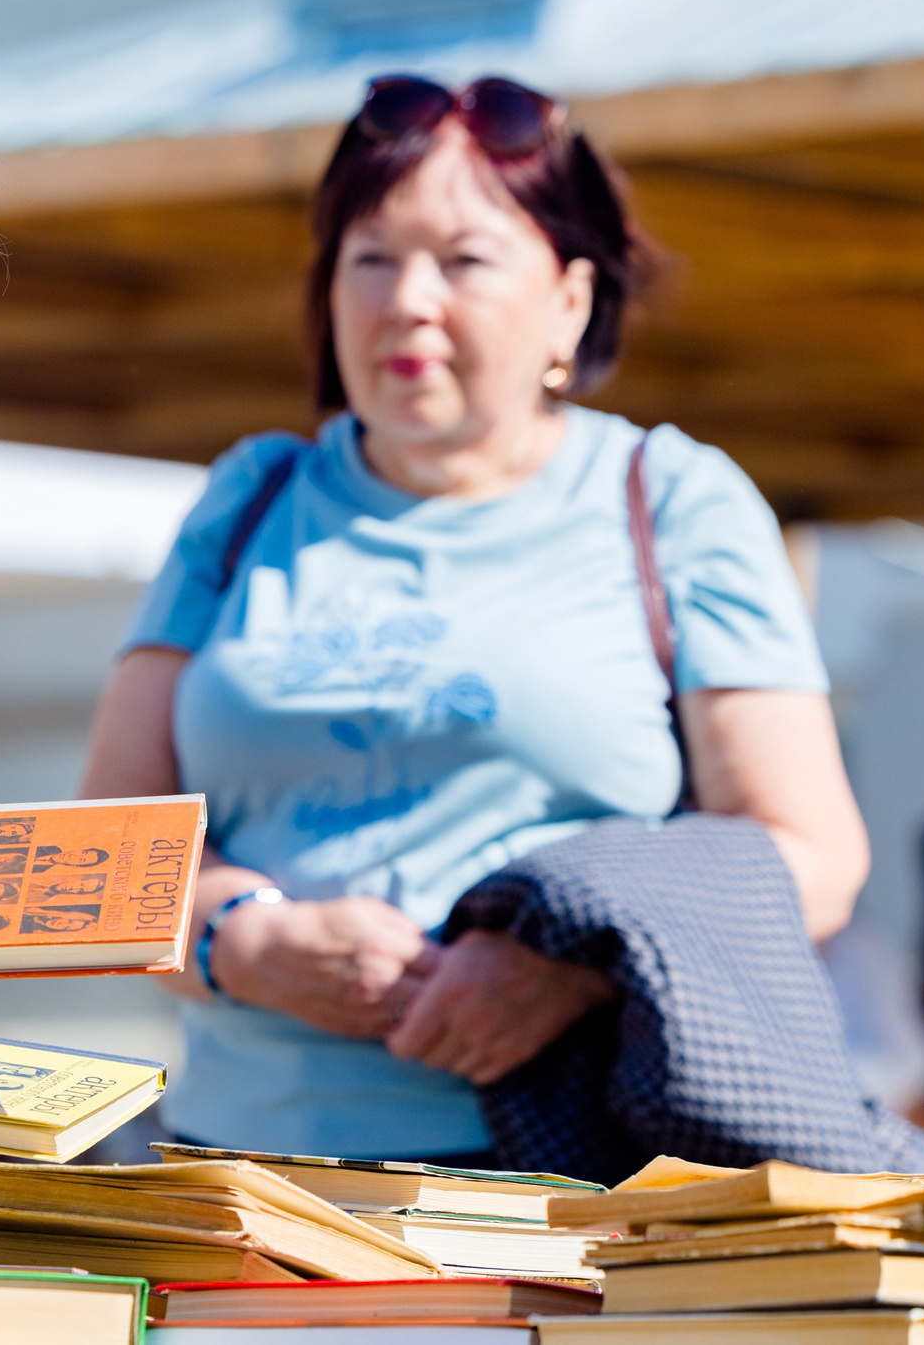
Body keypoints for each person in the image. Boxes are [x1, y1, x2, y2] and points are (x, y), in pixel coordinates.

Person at [77, 74, 867, 1160]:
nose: (408, 300)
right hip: (235, 1180)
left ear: (570, 302)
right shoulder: (247, 498)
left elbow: (812, 858)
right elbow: (97, 859)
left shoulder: (672, 499)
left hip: (563, 1197)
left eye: (463, 260)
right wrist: (240, 938)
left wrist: (572, 967)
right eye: (370, 257)